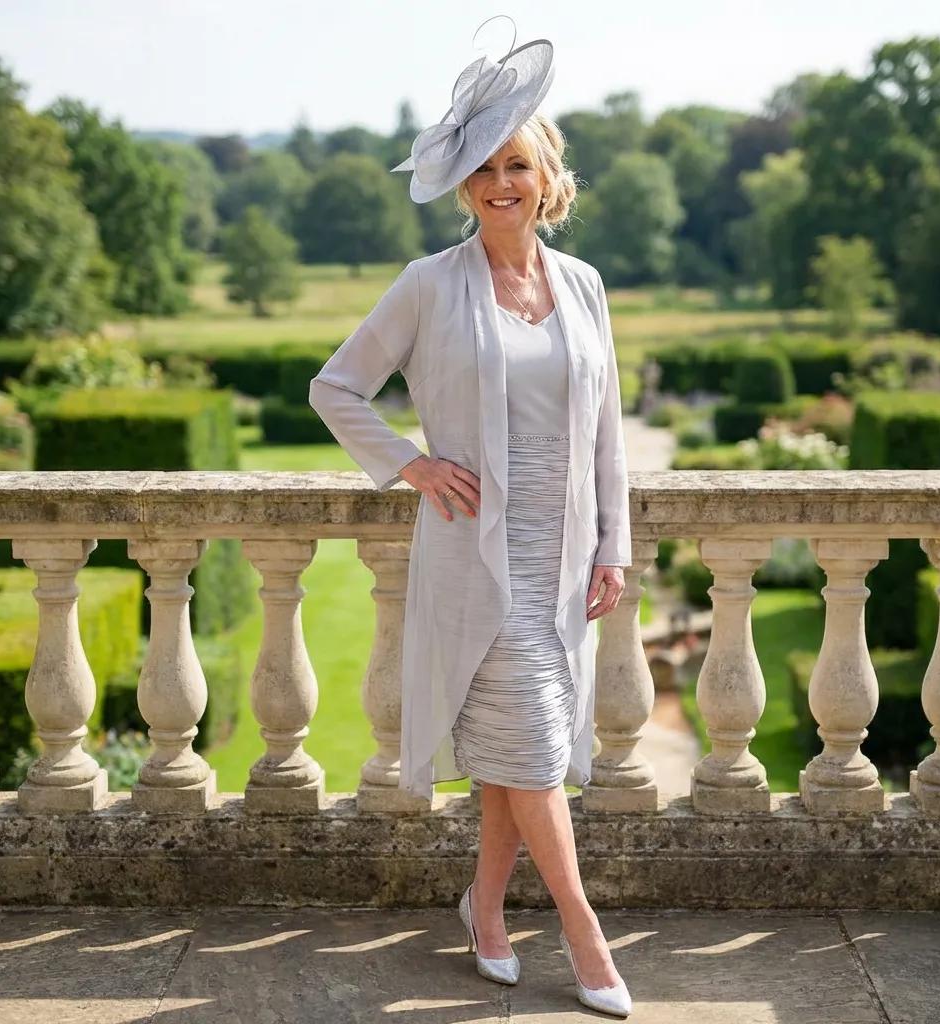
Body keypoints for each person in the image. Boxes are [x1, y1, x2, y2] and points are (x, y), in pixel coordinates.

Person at [308, 18, 632, 1018]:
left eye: (519, 164)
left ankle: (484, 909)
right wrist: (411, 463)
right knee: (531, 743)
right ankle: (585, 936)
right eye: (486, 167)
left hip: (561, 547)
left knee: (510, 754)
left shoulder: (580, 286)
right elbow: (337, 387)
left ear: (547, 177)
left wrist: (614, 544)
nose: (504, 182)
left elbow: (607, 428)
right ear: (465, 184)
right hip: (476, 553)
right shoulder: (428, 284)